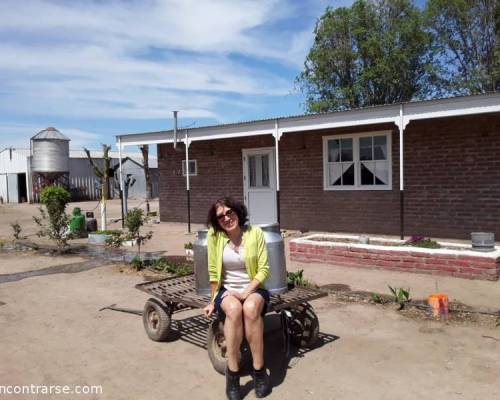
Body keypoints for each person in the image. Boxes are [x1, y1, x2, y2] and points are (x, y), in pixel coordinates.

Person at [203, 197, 271, 400]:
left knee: (250, 308)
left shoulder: (255, 233)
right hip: (227, 290)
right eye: (221, 216)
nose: (226, 218)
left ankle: (259, 371)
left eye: (229, 212)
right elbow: (214, 271)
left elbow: (264, 269)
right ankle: (232, 374)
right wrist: (212, 299)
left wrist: (245, 293)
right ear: (217, 221)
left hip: (254, 288)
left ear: (238, 212)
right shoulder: (214, 236)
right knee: (233, 310)